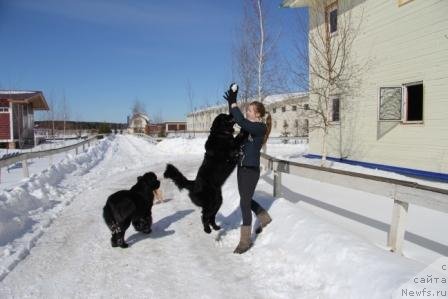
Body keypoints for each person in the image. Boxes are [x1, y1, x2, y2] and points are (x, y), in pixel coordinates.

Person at [223, 83, 272, 254]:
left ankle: (245, 240)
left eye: (250, 110)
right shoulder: (247, 129)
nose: (248, 112)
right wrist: (231, 102)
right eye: (248, 110)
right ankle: (264, 217)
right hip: (241, 168)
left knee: (244, 202)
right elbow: (237, 119)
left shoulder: (260, 127)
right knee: (246, 198)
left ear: (258, 114)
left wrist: (235, 102)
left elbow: (241, 120)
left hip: (251, 169)